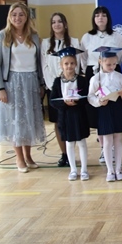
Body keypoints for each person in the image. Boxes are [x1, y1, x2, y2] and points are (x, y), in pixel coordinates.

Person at [0, 2, 46, 173]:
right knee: (16, 121)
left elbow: (39, 62)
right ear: (9, 17)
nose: (17, 18)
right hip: (12, 83)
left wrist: (41, 83)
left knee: (28, 120)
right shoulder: (2, 36)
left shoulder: (34, 36)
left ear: (26, 17)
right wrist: (0, 88)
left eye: (21, 14)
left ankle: (28, 156)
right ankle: (19, 158)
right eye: (14, 14)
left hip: (31, 82)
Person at [80, 6, 122, 164]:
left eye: (104, 15)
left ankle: (113, 147)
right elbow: (83, 58)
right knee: (98, 112)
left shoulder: (116, 36)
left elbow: (119, 56)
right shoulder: (87, 37)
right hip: (94, 73)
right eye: (97, 15)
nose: (100, 18)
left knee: (113, 109)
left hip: (111, 71)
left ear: (108, 18)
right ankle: (103, 148)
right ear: (94, 18)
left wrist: (110, 66)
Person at [41, 12, 81, 168]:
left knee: (72, 120)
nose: (56, 24)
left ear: (65, 24)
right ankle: (64, 154)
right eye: (53, 22)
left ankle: (72, 153)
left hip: (71, 88)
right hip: (54, 88)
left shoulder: (74, 42)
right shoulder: (46, 44)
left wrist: (69, 83)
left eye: (59, 21)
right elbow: (44, 66)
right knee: (58, 122)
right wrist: (55, 86)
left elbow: (78, 65)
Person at [87, 47, 122, 181]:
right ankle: (110, 170)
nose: (112, 67)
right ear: (100, 61)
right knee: (107, 140)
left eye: (114, 64)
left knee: (118, 139)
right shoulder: (95, 79)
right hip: (104, 109)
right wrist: (99, 102)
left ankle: (118, 169)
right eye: (108, 64)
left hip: (117, 108)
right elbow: (90, 96)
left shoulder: (119, 76)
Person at [48, 47, 90, 181]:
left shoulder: (81, 80)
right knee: (69, 143)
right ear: (61, 65)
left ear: (76, 64)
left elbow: (87, 97)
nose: (69, 66)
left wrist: (77, 101)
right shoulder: (57, 81)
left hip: (79, 115)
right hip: (65, 116)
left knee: (81, 142)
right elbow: (53, 100)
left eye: (72, 63)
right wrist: (64, 103)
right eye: (66, 64)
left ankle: (84, 170)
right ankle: (73, 170)